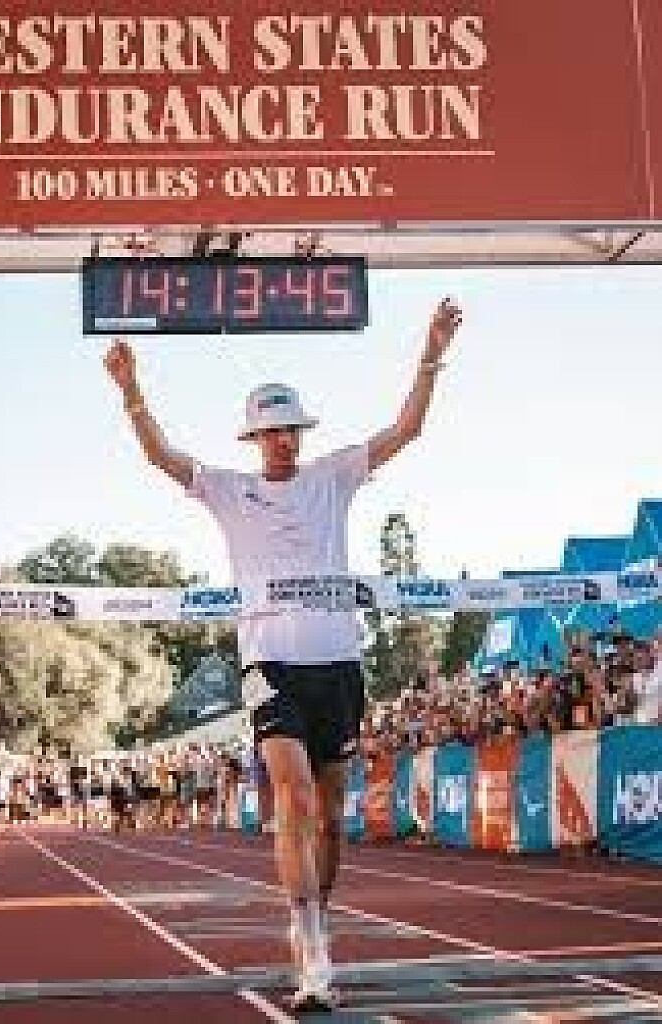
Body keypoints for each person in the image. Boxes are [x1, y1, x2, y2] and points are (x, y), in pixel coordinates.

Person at [103, 297, 461, 1011]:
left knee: (328, 814)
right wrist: (131, 389)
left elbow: (407, 429)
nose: (281, 442)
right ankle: (313, 947)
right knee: (292, 794)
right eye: (270, 432)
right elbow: (161, 456)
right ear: (253, 438)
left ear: (300, 432)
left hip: (338, 664)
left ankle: (316, 917)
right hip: (270, 665)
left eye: (289, 430)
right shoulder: (229, 490)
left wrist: (431, 351)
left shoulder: (333, 475)